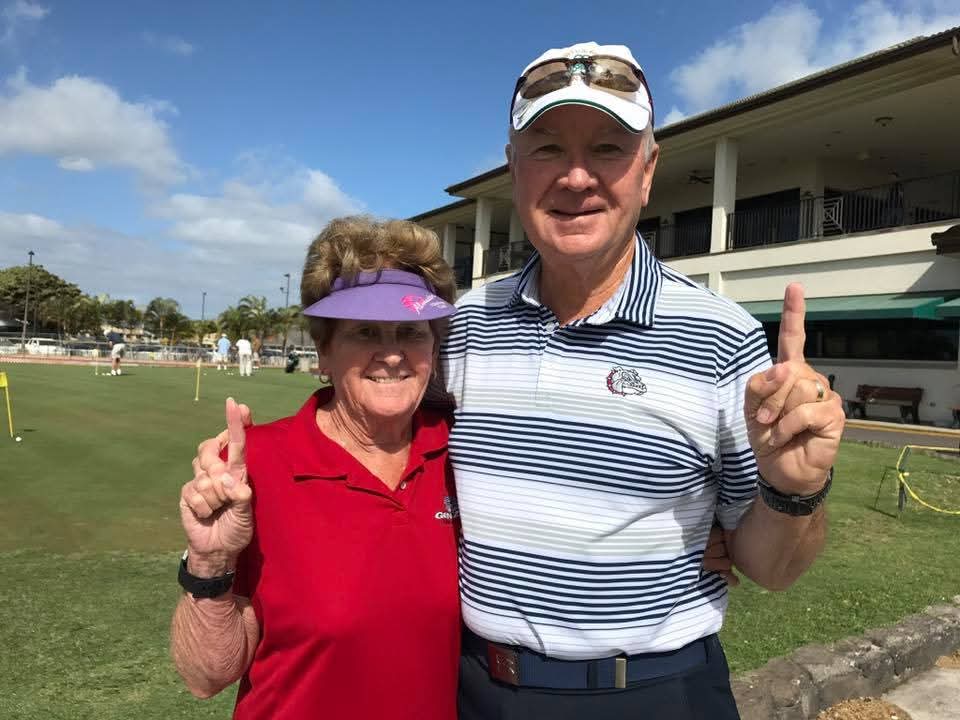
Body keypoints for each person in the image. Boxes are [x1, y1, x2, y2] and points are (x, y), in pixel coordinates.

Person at [191, 42, 844, 719]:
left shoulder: (721, 336)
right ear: (514, 169)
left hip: (653, 695)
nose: (576, 177)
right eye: (548, 149)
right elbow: (372, 422)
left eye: (608, 149)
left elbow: (771, 567)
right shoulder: (463, 327)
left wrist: (794, 491)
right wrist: (253, 470)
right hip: (481, 692)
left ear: (649, 170)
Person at [170, 217, 461, 720]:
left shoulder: (465, 452)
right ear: (324, 351)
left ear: (433, 348)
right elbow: (206, 677)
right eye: (365, 331)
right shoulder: (256, 466)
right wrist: (209, 561)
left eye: (411, 332)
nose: (393, 354)